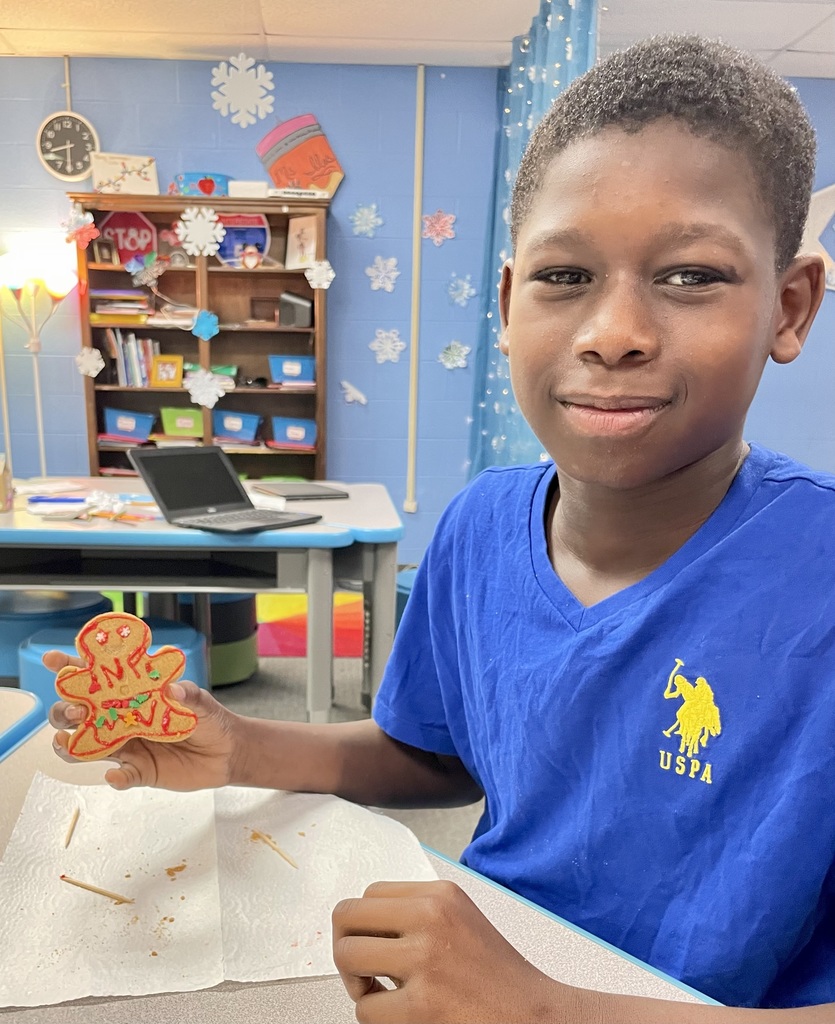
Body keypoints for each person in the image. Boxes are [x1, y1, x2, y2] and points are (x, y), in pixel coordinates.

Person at [47, 34, 835, 1022]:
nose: (612, 331)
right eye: (564, 276)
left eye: (689, 275)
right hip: (483, 966)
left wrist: (548, 1008)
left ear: (789, 304)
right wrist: (243, 745)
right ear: (507, 305)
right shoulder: (477, 529)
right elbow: (439, 756)